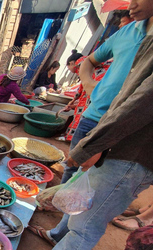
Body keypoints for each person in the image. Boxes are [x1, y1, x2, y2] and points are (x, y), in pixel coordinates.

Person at [18, 0, 153, 250]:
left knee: (89, 218)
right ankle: (56, 235)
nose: (133, 3)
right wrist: (94, 90)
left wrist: (93, 147)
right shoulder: (133, 30)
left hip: (130, 148)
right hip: (101, 128)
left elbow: (141, 105)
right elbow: (95, 67)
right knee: (78, 192)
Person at [60, 3, 150, 184]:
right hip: (93, 117)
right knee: (71, 171)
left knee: (97, 183)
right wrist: (88, 84)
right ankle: (60, 208)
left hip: (126, 131)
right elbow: (88, 62)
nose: (132, 4)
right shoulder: (126, 32)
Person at [61, 50, 112, 141]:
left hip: (96, 89)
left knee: (83, 114)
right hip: (105, 92)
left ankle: (73, 138)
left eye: (69, 67)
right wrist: (73, 104)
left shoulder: (82, 64)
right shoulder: (90, 62)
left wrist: (73, 102)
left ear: (72, 63)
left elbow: (83, 88)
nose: (70, 70)